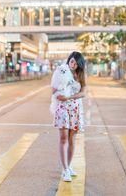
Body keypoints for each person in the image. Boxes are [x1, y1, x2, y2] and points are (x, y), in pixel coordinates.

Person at [51, 51, 86, 182]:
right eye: (71, 61)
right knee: (63, 138)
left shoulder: (80, 75)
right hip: (62, 108)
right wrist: (56, 93)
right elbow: (53, 89)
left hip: (75, 109)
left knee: (72, 139)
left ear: (79, 64)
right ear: (68, 60)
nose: (73, 64)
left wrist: (69, 97)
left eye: (76, 63)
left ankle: (69, 166)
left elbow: (83, 92)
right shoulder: (61, 71)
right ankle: (65, 170)